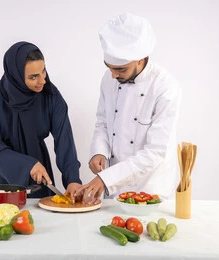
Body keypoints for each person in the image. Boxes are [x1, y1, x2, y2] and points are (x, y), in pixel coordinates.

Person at [76, 13, 181, 204]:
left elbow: (155, 151)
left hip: (150, 189)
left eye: (120, 69)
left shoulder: (165, 87)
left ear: (141, 59)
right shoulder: (109, 79)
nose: (113, 75)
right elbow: (102, 122)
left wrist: (106, 179)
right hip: (114, 188)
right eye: (109, 67)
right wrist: (99, 151)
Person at [0, 41, 82, 198]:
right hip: (1, 175)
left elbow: (64, 140)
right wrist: (27, 164)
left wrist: (72, 179)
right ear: (17, 76)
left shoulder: (50, 96)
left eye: (43, 72)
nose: (42, 81)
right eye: (33, 77)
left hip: (39, 178)